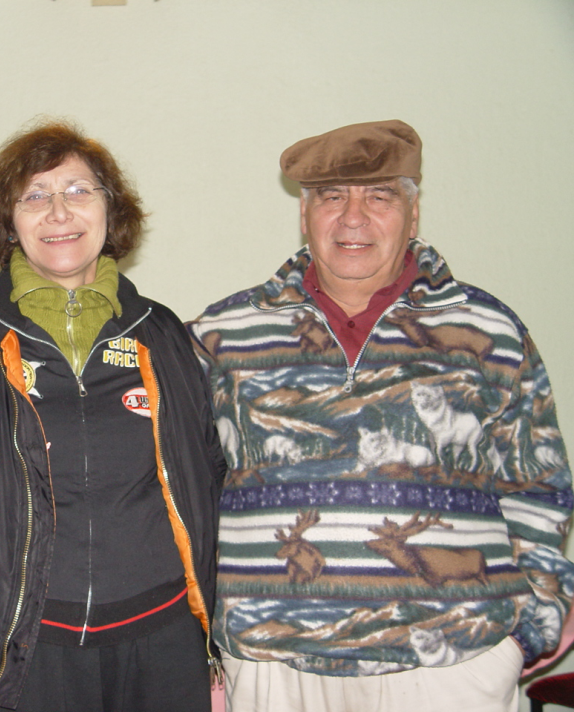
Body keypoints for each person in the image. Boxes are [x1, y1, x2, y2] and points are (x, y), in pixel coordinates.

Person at [187, 120, 574, 712]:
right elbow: (179, 484)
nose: (353, 218)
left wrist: (530, 628)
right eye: (332, 197)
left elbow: (538, 485)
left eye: (379, 197)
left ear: (413, 215)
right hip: (271, 662)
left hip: (451, 663)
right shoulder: (222, 333)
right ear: (305, 213)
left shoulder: (489, 331)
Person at [0, 120, 225, 712]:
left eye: (79, 191)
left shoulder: (160, 332)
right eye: (34, 196)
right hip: (19, 651)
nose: (59, 211)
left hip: (163, 641)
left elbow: (207, 474)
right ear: (9, 221)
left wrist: (210, 640)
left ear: (111, 210)